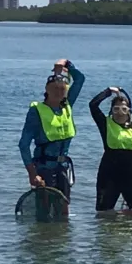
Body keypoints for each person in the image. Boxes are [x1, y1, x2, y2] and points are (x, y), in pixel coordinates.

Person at [19, 59, 85, 216]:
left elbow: (80, 79)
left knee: (63, 212)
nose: (59, 92)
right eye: (55, 89)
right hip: (43, 169)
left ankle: (61, 238)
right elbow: (23, 145)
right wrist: (32, 174)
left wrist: (66, 63)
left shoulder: (67, 106)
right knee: (44, 213)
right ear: (47, 90)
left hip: (62, 169)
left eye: (62, 90)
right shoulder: (37, 112)